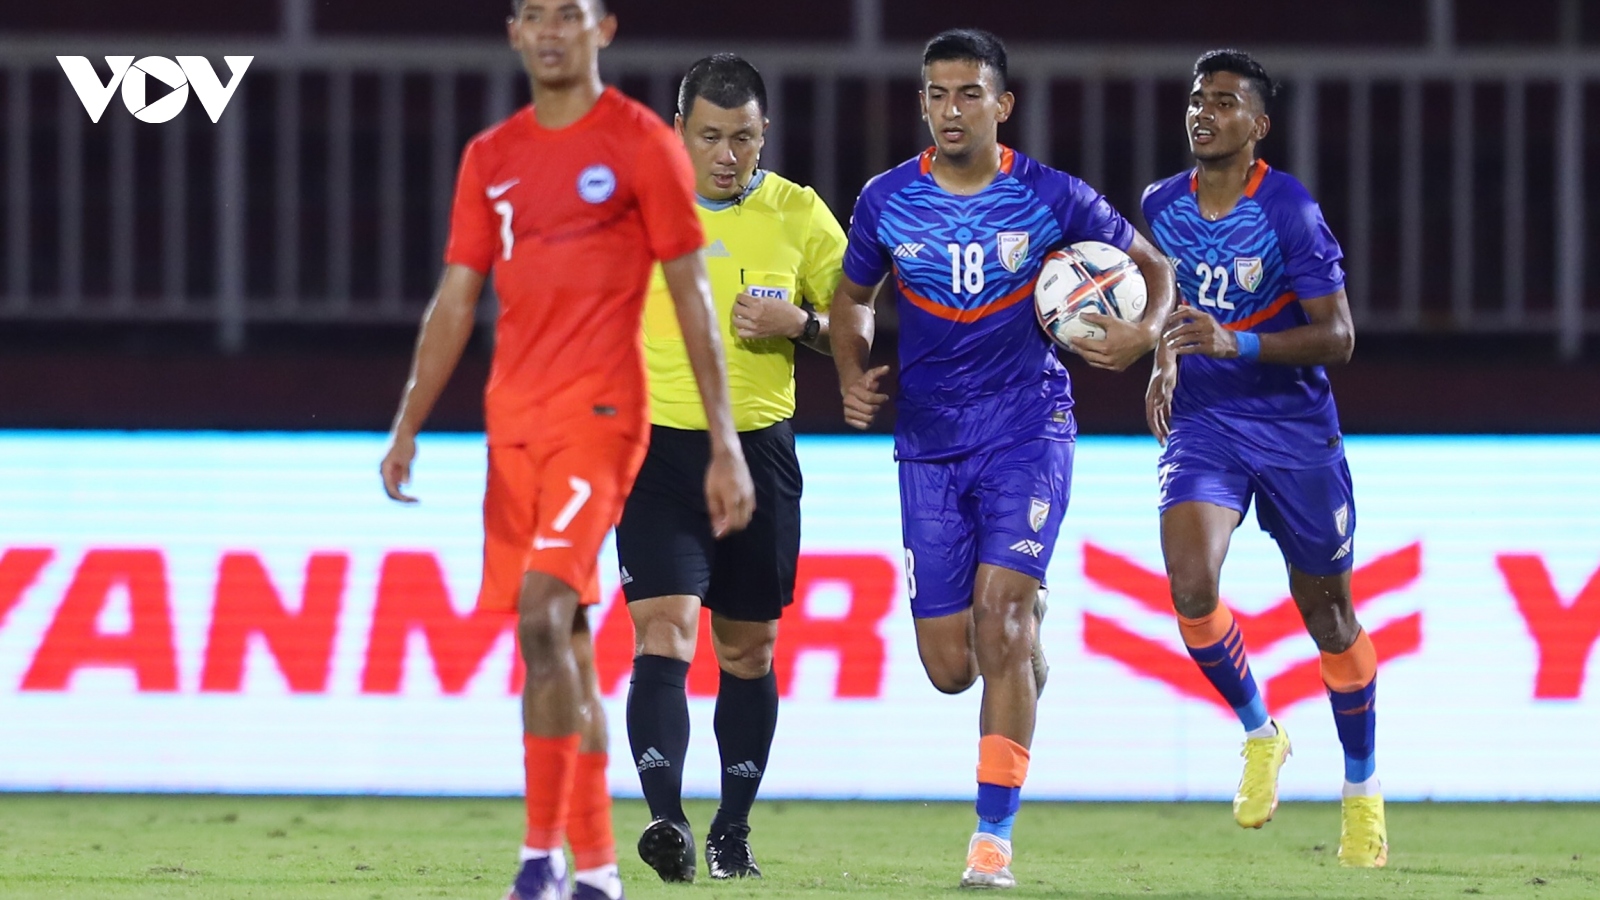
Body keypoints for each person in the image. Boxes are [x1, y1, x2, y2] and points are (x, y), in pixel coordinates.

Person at [378, 1, 755, 897]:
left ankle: (538, 857)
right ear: (514, 32)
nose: (552, 30)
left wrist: (724, 441)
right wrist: (408, 422)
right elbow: (457, 297)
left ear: (603, 28)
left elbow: (691, 294)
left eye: (569, 13)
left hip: (601, 418)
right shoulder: (492, 157)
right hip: (514, 425)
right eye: (535, 15)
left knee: (545, 615)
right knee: (564, 646)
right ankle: (597, 869)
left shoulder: (639, 143)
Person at [830, 29, 1176, 889]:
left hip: (1028, 428)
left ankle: (992, 839)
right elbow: (852, 299)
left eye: (969, 94)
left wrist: (1145, 334)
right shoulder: (885, 200)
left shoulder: (1051, 195)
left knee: (1001, 619)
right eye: (937, 94)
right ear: (923, 103)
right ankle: (1021, 646)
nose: (952, 109)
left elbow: (1153, 264)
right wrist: (849, 370)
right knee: (952, 668)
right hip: (928, 441)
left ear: (1002, 104)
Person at [1141, 49, 1381, 867]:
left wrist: (1234, 342)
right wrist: (1165, 358)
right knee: (1190, 586)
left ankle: (1361, 791)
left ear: (1259, 126)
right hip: (1206, 421)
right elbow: (1170, 301)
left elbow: (1338, 336)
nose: (1203, 112)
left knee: (1330, 619)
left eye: (1224, 101)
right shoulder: (1161, 205)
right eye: (1196, 99)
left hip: (1294, 429)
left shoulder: (1289, 210)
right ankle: (1259, 731)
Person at [616, 53, 845, 883]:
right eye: (710, 136)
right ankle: (668, 823)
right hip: (656, 451)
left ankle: (732, 833)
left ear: (764, 133)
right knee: (665, 633)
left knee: (748, 652)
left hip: (759, 452)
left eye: (742, 137)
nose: (726, 154)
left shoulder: (799, 214)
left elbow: (860, 329)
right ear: (678, 130)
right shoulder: (633, 210)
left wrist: (803, 323)